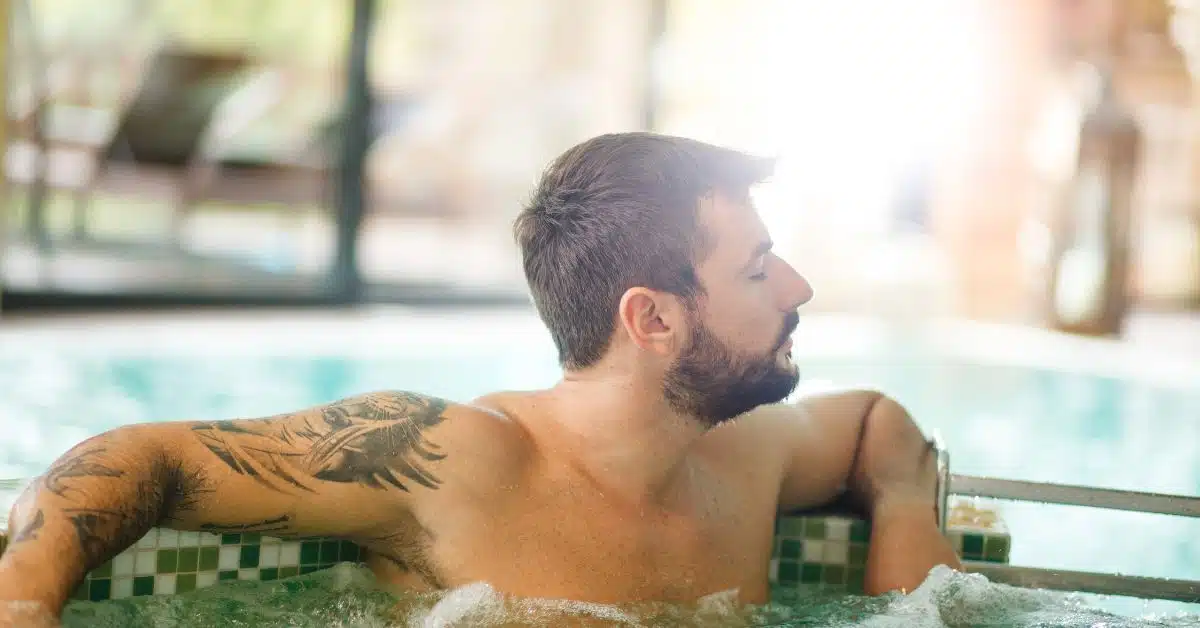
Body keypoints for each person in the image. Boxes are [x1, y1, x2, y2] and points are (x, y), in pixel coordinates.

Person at [0, 132, 961, 625]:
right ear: (654, 319)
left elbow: (880, 422)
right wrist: (24, 603)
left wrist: (907, 557)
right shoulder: (452, 461)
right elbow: (142, 459)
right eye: (758, 268)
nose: (799, 288)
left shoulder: (746, 455)